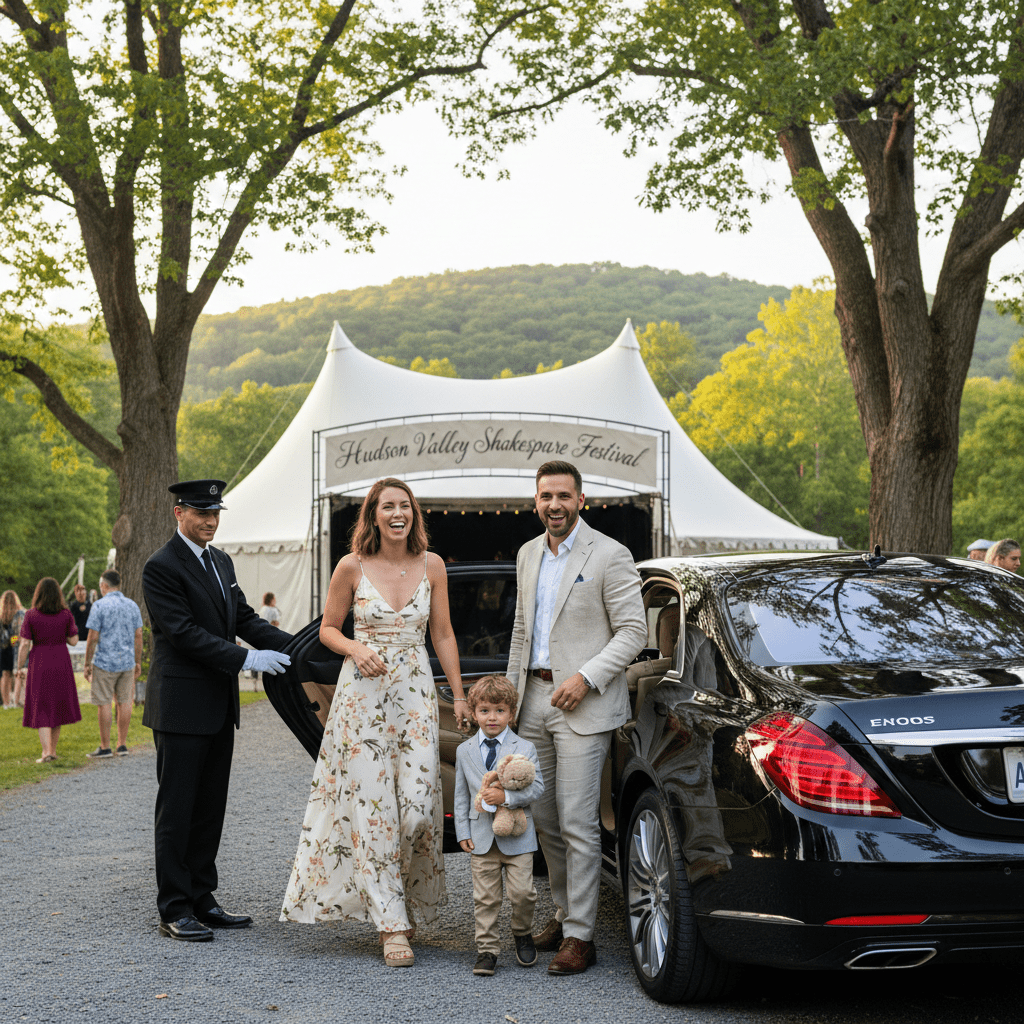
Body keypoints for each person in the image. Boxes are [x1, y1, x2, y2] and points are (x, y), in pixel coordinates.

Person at [281, 477, 469, 968]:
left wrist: (462, 695)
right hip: (361, 700)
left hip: (413, 697)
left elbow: (443, 634)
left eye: (404, 506)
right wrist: (356, 647)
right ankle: (392, 925)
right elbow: (325, 630)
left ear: (414, 513)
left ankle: (395, 899)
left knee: (415, 810)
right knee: (373, 813)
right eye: (387, 507)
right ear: (373, 515)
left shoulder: (433, 566)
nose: (396, 514)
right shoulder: (351, 566)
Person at [507, 460, 647, 976]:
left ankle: (582, 937)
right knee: (543, 821)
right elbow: (522, 631)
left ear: (581, 500)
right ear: (536, 500)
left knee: (578, 820)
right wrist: (510, 700)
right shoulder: (526, 554)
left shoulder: (610, 554)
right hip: (532, 700)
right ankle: (565, 915)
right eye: (546, 496)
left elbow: (632, 631)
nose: (554, 505)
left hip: (583, 702)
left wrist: (585, 678)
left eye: (564, 496)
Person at [142, 479, 292, 942]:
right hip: (181, 707)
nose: (210, 521)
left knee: (209, 809)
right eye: (201, 513)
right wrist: (248, 658)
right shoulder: (161, 566)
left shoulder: (221, 560)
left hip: (217, 706)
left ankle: (203, 898)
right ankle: (174, 906)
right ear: (178, 513)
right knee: (178, 809)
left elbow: (242, 618)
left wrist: (301, 649)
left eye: (216, 513)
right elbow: (183, 633)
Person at [455, 675, 545, 977]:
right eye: (484, 711)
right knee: (485, 898)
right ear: (473, 712)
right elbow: (461, 796)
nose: (492, 717)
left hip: (518, 837)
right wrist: (463, 832)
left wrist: (506, 796)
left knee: (523, 893)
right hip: (481, 837)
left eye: (499, 711)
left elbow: (537, 789)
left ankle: (522, 932)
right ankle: (487, 950)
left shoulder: (525, 747)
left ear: (512, 713)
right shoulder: (464, 750)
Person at [15, 577, 81, 763]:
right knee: (57, 705)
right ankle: (52, 750)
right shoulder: (66, 614)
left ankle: (46, 753)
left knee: (42, 706)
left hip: (40, 663)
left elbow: (24, 644)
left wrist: (19, 666)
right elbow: (74, 640)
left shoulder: (31, 615)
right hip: (61, 661)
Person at [83, 570, 144, 758]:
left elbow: (92, 637)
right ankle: (122, 744)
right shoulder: (132, 605)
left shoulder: (99, 606)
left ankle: (105, 746)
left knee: (104, 703)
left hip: (104, 662)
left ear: (103, 585)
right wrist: (137, 661)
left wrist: (87, 662)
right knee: (124, 702)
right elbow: (138, 634)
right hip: (126, 662)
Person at [1, 590, 26, 710]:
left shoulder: (1, 615)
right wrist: (13, 640)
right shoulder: (20, 614)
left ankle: (6, 703)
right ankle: (16, 701)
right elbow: (19, 634)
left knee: (5, 675)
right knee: (17, 674)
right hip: (16, 648)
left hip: (3, 649)